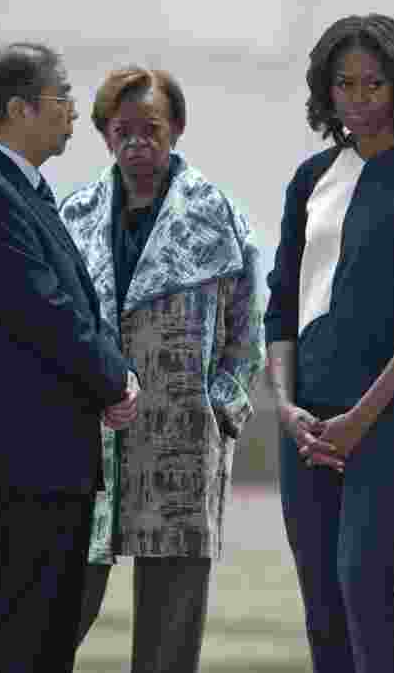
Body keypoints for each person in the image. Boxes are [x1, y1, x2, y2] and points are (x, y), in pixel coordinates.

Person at [264, 14, 394, 673]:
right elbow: (282, 301)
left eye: (374, 83)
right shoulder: (310, 178)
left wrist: (362, 416)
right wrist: (286, 405)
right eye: (343, 83)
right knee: (321, 600)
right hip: (308, 420)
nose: (357, 97)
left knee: (363, 580)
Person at [59, 65, 263, 672]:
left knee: (170, 623)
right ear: (104, 136)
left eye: (150, 128)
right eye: (122, 130)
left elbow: (247, 327)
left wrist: (219, 408)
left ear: (176, 128)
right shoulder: (74, 214)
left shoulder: (216, 214)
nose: (136, 142)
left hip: (180, 443)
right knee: (57, 603)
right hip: (88, 440)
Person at [0, 42, 139, 672]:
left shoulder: (21, 187)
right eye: (63, 98)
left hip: (44, 463)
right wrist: (114, 379)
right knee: (14, 639)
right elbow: (45, 311)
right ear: (19, 108)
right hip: (17, 467)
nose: (75, 112)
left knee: (45, 637)